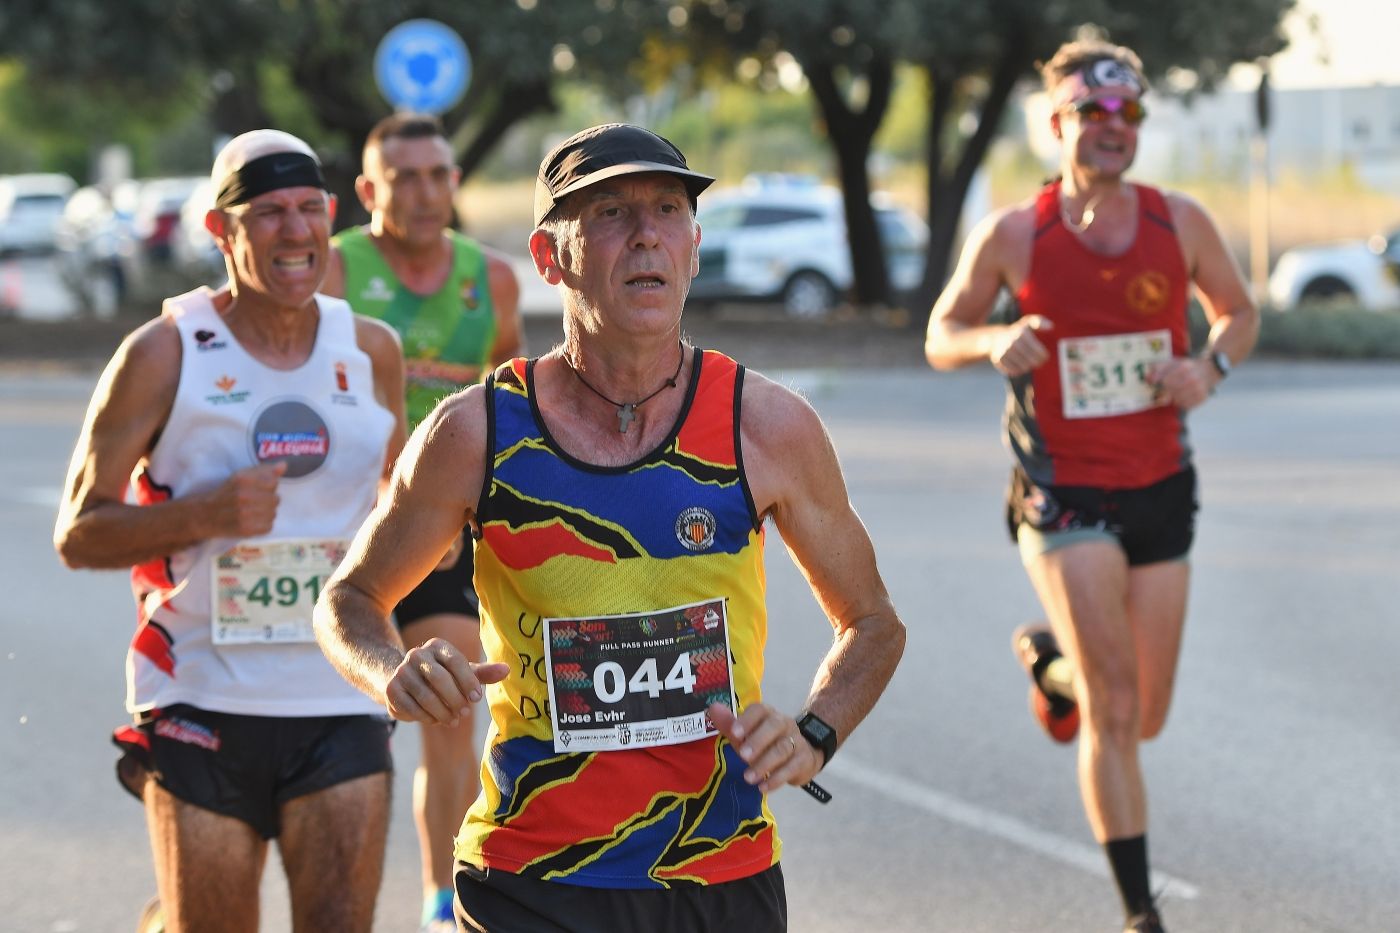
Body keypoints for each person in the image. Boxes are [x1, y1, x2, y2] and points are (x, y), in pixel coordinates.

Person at [313, 122, 906, 933]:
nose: (646, 235)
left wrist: (813, 733)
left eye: (668, 210)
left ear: (694, 247)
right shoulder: (477, 432)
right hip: (528, 876)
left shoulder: (765, 425)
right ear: (549, 256)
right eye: (611, 213)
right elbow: (348, 599)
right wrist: (390, 671)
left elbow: (873, 622)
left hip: (718, 871)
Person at [925, 40, 1259, 933]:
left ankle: (1052, 664)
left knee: (1143, 714)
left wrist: (1209, 367)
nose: (1114, 126)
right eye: (1094, 112)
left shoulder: (1179, 222)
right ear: (1057, 123)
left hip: (1160, 483)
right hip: (1060, 489)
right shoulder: (1013, 234)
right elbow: (941, 331)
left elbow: (1239, 311)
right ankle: (1139, 910)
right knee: (1114, 706)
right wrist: (990, 341)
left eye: (1129, 113)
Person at [53, 128, 407, 932]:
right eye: (270, 212)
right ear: (221, 229)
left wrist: (427, 542)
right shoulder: (162, 352)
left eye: (310, 208)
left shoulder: (371, 350)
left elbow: (400, 501)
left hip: (339, 692)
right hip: (200, 695)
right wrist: (202, 515)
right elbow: (78, 531)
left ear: (332, 216)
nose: (296, 231)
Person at [321, 111, 523, 933]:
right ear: (369, 190)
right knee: (333, 728)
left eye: (439, 174)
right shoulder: (335, 268)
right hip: (348, 526)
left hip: (446, 528)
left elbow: (513, 402)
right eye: (404, 177)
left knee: (451, 703)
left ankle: (445, 899)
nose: (425, 191)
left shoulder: (492, 278)